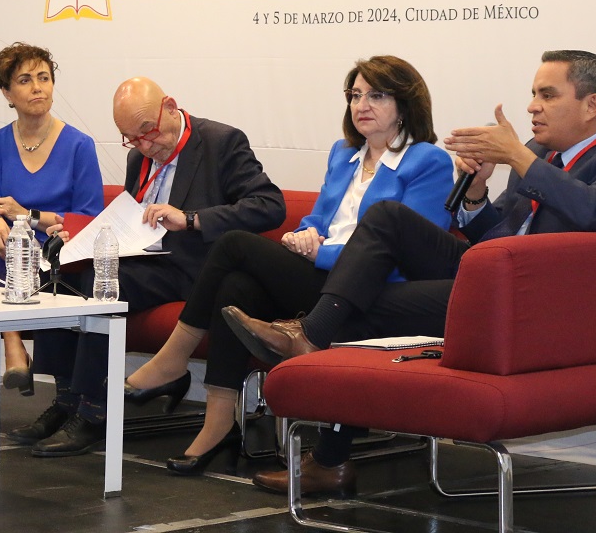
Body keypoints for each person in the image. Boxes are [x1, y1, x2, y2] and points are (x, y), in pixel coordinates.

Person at [230, 50, 596, 496]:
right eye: (532, 94)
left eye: (547, 95)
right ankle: (316, 359)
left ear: (592, 106)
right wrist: (474, 191)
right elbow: (497, 235)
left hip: (533, 305)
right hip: (492, 278)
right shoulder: (542, 154)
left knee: (359, 305)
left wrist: (520, 160)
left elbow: (595, 211)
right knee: (388, 218)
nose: (532, 106)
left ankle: (320, 400)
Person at [123, 56, 454, 475]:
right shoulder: (343, 154)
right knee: (236, 287)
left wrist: (322, 253)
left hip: (374, 288)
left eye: (376, 95)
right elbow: (321, 218)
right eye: (355, 95)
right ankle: (218, 423)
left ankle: (176, 357)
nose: (361, 105)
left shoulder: (429, 162)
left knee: (233, 246)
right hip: (322, 278)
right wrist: (303, 237)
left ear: (405, 105)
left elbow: (403, 251)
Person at [16, 77, 286, 457]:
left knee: (101, 282)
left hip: (196, 269)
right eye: (132, 138)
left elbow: (270, 206)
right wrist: (82, 234)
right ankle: (66, 402)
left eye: (149, 132)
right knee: (61, 276)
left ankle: (94, 414)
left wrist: (190, 218)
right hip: (146, 262)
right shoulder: (138, 158)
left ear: (171, 107)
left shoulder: (221, 143)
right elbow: (129, 219)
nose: (145, 146)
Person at [0, 42, 104, 393]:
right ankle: (12, 342)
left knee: (2, 255)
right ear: (6, 92)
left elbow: (87, 217)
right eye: (25, 80)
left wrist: (29, 217)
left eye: (44, 78)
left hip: (54, 251)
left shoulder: (79, 145)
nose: (38, 87)